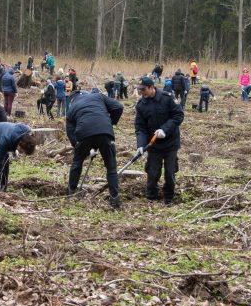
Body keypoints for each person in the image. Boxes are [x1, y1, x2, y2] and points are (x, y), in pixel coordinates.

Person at [66, 89, 124, 208]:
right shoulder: (98, 96)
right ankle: (115, 200)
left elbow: (70, 132)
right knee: (111, 167)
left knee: (77, 162)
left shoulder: (72, 108)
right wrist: (109, 123)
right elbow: (118, 107)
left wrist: (77, 146)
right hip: (105, 132)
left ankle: (71, 192)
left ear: (72, 100)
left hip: (84, 134)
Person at [134, 76, 185, 206]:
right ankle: (151, 196)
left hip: (170, 143)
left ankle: (169, 197)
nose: (141, 92)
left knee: (169, 172)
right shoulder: (141, 105)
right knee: (153, 171)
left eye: (143, 89)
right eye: (139, 90)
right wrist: (140, 145)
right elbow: (140, 127)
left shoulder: (167, 98)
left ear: (151, 87)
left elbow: (178, 115)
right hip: (154, 144)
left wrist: (164, 130)